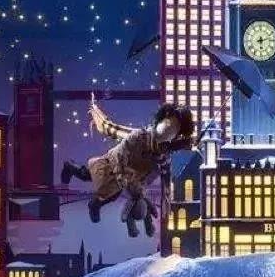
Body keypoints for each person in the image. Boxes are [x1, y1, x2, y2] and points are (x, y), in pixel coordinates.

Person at [61, 101, 194, 237]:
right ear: (162, 118)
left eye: (175, 129)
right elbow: (118, 145)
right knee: (86, 175)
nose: (170, 128)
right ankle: (70, 167)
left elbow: (165, 174)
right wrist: (125, 180)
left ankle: (95, 204)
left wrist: (166, 196)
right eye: (169, 122)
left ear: (175, 137)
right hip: (113, 165)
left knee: (112, 194)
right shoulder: (139, 136)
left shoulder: (163, 155)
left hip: (129, 177)